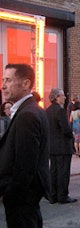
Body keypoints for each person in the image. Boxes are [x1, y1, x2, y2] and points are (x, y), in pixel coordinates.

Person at [0, 63, 51, 227]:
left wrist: (10, 192)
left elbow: (25, 164)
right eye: (3, 80)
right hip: (26, 196)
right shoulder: (30, 110)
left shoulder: (27, 115)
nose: (3, 86)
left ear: (26, 83)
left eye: (8, 80)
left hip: (21, 197)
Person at [46, 88, 77, 204]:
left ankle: (53, 195)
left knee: (53, 171)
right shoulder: (60, 111)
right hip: (62, 147)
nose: (64, 98)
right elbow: (66, 129)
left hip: (52, 147)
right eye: (62, 96)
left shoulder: (47, 111)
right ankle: (62, 195)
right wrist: (71, 134)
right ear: (56, 97)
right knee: (63, 172)